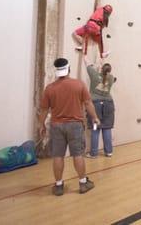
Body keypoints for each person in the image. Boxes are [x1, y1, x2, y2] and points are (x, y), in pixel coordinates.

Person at [38, 58, 101, 196]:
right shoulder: (79, 85)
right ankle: (83, 183)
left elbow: (43, 110)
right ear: (69, 69)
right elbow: (88, 103)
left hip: (56, 126)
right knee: (78, 154)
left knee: (58, 156)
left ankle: (59, 186)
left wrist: (41, 124)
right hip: (75, 126)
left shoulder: (49, 89)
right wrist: (95, 117)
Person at [83, 56, 116, 158]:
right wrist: (103, 58)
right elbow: (103, 71)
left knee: (95, 128)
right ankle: (109, 152)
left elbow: (87, 62)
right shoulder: (111, 78)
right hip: (109, 105)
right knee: (107, 128)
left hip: (96, 105)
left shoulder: (94, 75)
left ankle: (94, 153)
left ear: (100, 69)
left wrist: (84, 53)